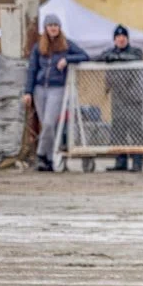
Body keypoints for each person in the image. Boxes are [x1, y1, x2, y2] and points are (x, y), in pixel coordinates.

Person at [23, 13, 89, 171]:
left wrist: (67, 60)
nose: (53, 28)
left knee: (48, 123)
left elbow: (85, 55)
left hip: (57, 88)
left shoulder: (67, 45)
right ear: (45, 28)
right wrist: (28, 91)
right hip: (40, 89)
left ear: (59, 28)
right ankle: (49, 159)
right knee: (47, 126)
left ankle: (41, 154)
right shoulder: (39, 47)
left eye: (56, 25)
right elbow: (32, 69)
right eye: (50, 25)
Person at [98, 25, 143, 172]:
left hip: (133, 98)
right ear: (114, 39)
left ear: (127, 38)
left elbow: (136, 58)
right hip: (117, 98)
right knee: (119, 129)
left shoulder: (135, 51)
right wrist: (112, 56)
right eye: (118, 37)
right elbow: (100, 57)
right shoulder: (110, 52)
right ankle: (121, 161)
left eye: (123, 36)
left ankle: (138, 161)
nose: (121, 39)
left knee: (135, 129)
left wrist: (116, 57)